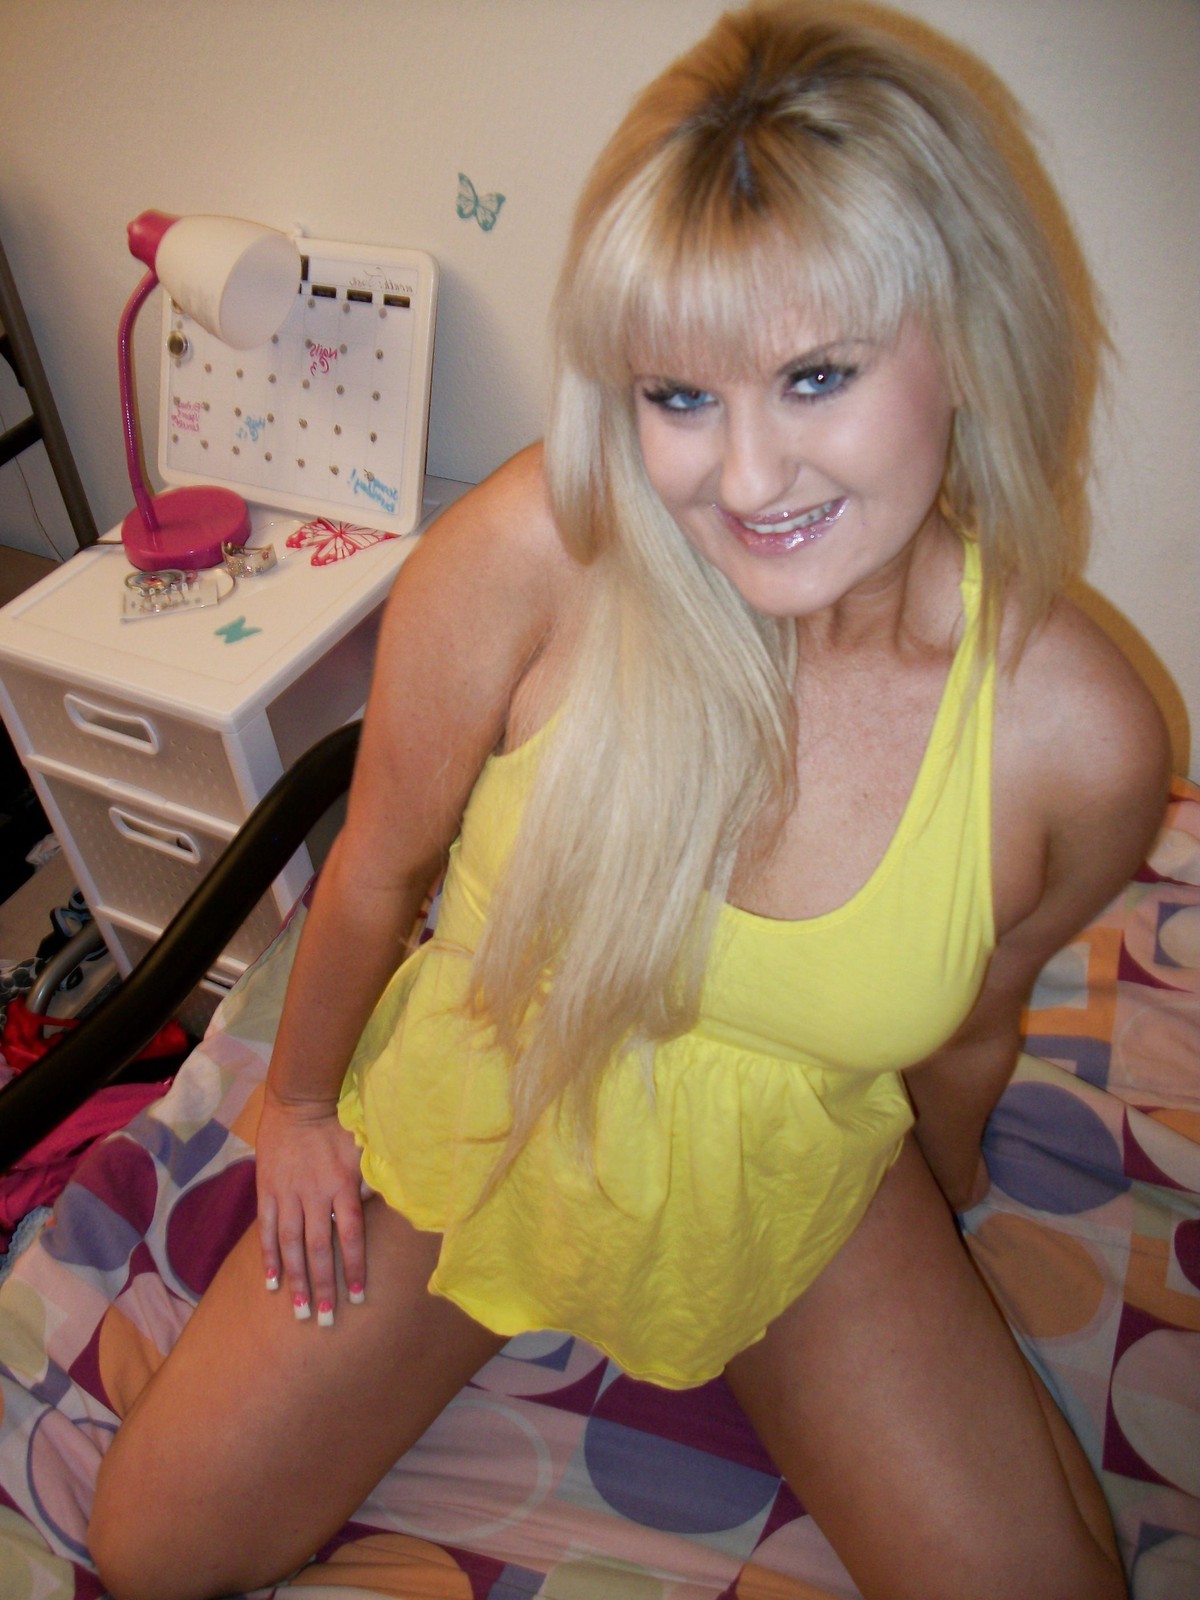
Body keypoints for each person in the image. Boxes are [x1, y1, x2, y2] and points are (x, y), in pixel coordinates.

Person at [90, 4, 1168, 1596]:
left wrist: (930, 1226)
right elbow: (378, 866)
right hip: (495, 1096)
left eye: (815, 374)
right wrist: (300, 1108)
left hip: (786, 1175)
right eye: (679, 395)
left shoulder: (1079, 740)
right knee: (153, 1547)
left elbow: (972, 1026)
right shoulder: (530, 552)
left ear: (966, 333)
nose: (747, 478)